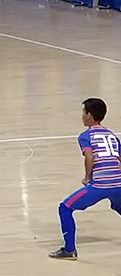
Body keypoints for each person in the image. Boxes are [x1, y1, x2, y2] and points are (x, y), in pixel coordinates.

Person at [49, 98, 121, 260]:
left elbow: (89, 157)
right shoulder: (112, 136)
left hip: (100, 185)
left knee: (65, 207)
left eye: (83, 112)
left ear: (89, 115)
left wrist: (87, 178)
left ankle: (69, 250)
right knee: (118, 206)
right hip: (118, 183)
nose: (82, 115)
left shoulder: (86, 136)